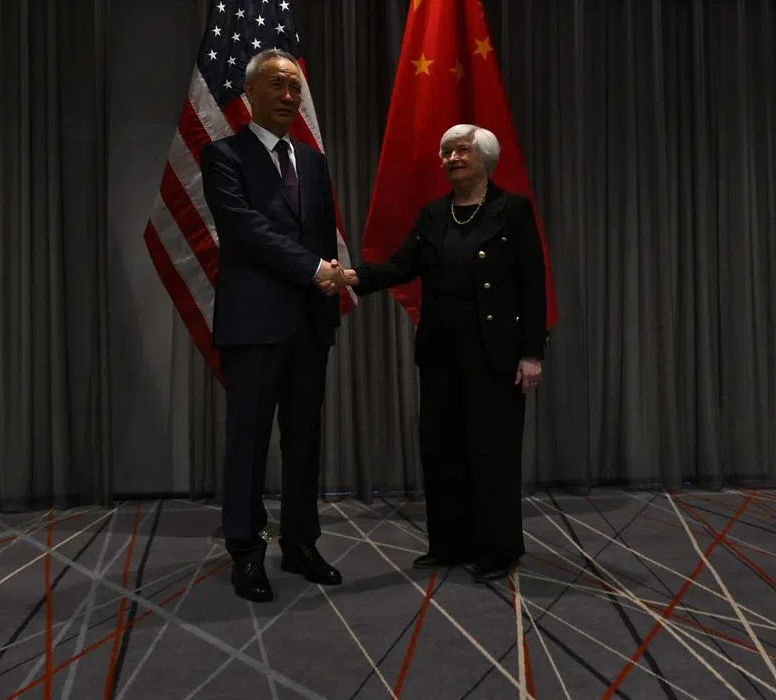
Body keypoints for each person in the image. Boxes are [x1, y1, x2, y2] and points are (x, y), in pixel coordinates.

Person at [338, 124, 547, 581]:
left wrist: (532, 353)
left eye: (461, 151)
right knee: (443, 449)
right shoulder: (433, 215)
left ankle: (498, 549)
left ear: (485, 159)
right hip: (440, 352)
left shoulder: (511, 210)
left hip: (493, 353)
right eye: (446, 152)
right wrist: (353, 277)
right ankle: (449, 544)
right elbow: (400, 265)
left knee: (492, 452)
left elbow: (533, 285)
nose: (452, 158)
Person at [201, 49, 346, 602]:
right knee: (249, 443)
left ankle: (301, 543)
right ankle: (245, 550)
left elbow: (321, 232)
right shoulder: (222, 156)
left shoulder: (312, 161)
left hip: (309, 326)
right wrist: (314, 270)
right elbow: (244, 231)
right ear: (250, 95)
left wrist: (328, 282)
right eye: (278, 86)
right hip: (254, 324)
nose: (289, 96)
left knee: (304, 441)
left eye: (295, 88)